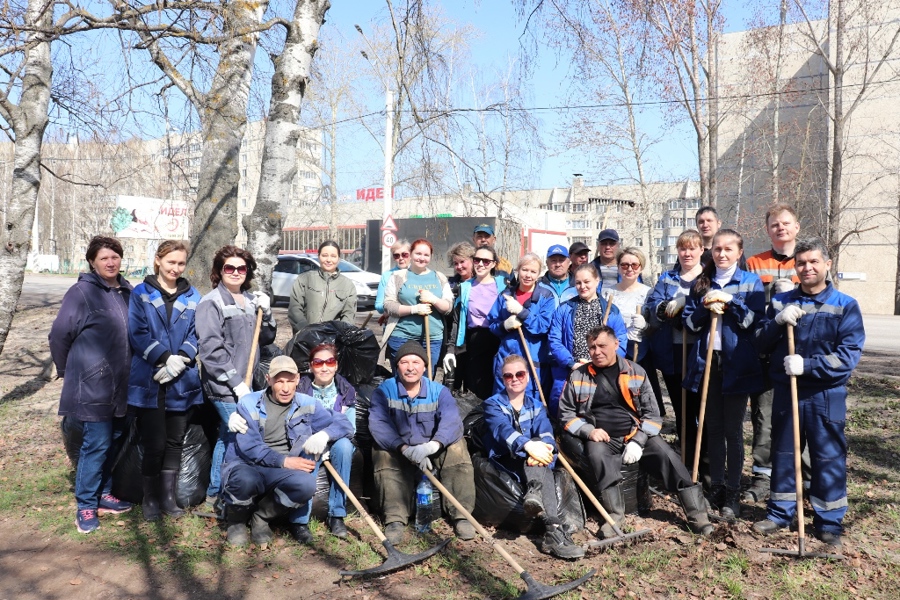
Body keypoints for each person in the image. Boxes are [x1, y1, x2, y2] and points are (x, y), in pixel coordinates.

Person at [752, 239, 864, 548]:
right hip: (788, 393)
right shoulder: (781, 302)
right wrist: (776, 321)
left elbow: (848, 356)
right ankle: (779, 514)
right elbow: (759, 342)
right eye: (801, 263)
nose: (807, 267)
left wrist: (809, 365)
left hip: (827, 395)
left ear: (827, 264)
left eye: (813, 262)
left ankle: (829, 521)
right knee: (785, 454)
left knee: (828, 457)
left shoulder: (845, 305)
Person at [557, 326, 713, 538]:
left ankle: (697, 515)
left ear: (616, 345)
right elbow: (565, 414)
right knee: (597, 457)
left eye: (602, 346)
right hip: (601, 437)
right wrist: (588, 431)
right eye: (592, 347)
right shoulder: (578, 376)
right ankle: (614, 517)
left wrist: (638, 440)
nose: (597, 352)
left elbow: (653, 414)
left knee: (668, 457)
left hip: (634, 433)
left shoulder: (636, 372)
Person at [50, 235, 134, 533]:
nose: (111, 262)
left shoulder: (126, 291)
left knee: (113, 442)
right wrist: (66, 369)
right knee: (95, 445)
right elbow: (59, 334)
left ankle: (103, 494)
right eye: (104, 258)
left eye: (115, 257)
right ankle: (85, 505)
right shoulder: (81, 293)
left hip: (122, 385)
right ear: (92, 262)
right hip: (92, 385)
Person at [221, 356, 353, 546]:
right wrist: (285, 462)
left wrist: (324, 434)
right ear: (268, 380)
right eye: (279, 381)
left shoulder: (307, 403)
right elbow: (250, 448)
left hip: (280, 470)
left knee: (306, 484)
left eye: (290, 381)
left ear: (298, 380)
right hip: (248, 465)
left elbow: (343, 423)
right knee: (244, 479)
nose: (285, 388)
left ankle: (261, 518)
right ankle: (236, 522)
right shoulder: (249, 403)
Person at [682, 229, 765, 520]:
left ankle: (733, 491)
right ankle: (715, 485)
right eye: (717, 249)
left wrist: (730, 302)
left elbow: (754, 323)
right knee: (712, 428)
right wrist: (706, 307)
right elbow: (690, 325)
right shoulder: (701, 283)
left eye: (729, 249)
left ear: (739, 252)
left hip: (736, 363)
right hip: (707, 362)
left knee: (733, 430)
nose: (722, 253)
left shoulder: (750, 282)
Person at [368, 341, 477, 544]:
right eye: (404, 362)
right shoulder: (384, 391)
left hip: (432, 449)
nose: (410, 367)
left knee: (458, 447)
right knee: (381, 451)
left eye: (416, 362)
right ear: (396, 366)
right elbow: (378, 425)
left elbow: (452, 422)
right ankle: (395, 519)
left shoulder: (439, 391)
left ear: (425, 366)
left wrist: (432, 446)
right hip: (400, 451)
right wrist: (405, 449)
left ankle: (462, 516)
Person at [127, 240, 203, 521]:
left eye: (181, 263)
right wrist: (163, 358)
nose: (176, 268)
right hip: (151, 379)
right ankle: (150, 497)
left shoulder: (193, 296)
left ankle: (169, 498)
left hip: (181, 379)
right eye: (171, 262)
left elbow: (198, 334)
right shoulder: (141, 293)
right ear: (158, 261)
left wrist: (180, 359)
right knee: (155, 442)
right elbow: (137, 333)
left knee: (175, 441)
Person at [197, 245, 277, 513]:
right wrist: (236, 384)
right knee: (235, 435)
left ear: (247, 272)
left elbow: (265, 338)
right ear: (219, 271)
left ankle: (215, 496)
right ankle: (217, 497)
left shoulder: (250, 301)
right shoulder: (211, 303)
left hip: (246, 384)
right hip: (222, 386)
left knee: (227, 435)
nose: (235, 272)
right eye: (229, 268)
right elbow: (210, 351)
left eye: (241, 268)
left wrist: (268, 314)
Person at [481, 355, 585, 559]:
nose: (514, 379)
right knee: (538, 462)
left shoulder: (536, 406)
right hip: (505, 458)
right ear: (503, 379)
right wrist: (528, 445)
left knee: (540, 457)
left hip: (532, 461)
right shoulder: (492, 404)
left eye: (519, 374)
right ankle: (553, 531)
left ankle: (537, 496)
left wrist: (544, 449)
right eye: (508, 376)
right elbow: (501, 430)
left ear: (527, 377)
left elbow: (546, 432)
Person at [742, 204, 803, 504]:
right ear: (767, 230)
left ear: (796, 227)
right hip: (764, 350)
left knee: (798, 415)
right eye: (774, 225)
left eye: (785, 223)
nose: (780, 228)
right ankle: (763, 476)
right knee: (763, 416)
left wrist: (794, 290)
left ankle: (800, 474)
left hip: (797, 352)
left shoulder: (807, 260)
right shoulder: (755, 262)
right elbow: (750, 305)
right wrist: (770, 298)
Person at [646, 230, 705, 468]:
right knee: (682, 410)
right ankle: (688, 461)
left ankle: (706, 462)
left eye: (692, 248)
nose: (687, 253)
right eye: (683, 248)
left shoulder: (709, 278)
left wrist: (687, 302)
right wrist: (664, 307)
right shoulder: (668, 278)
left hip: (700, 353)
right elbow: (651, 306)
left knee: (703, 410)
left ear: (701, 250)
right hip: (674, 353)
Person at [290, 343, 358, 541]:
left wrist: (326, 438)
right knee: (309, 452)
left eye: (329, 362)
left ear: (336, 365)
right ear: (311, 366)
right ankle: (300, 520)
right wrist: (314, 440)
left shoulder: (346, 390)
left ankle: (337, 515)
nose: (324, 367)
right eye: (318, 363)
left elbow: (349, 427)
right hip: (307, 439)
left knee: (345, 447)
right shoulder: (300, 389)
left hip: (336, 440)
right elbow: (296, 422)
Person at [547, 263, 629, 419]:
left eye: (587, 282)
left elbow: (621, 343)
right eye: (578, 283)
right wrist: (572, 364)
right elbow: (554, 340)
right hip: (571, 370)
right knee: (564, 413)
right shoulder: (565, 309)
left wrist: (604, 364)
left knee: (598, 414)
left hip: (600, 372)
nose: (582, 286)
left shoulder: (611, 311)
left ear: (597, 281)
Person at [487, 253, 556, 397]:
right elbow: (492, 324)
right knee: (504, 401)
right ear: (518, 270)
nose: (528, 275)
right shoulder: (505, 295)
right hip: (507, 358)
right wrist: (504, 325)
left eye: (533, 271)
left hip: (533, 361)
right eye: (525, 270)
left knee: (531, 404)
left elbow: (543, 326)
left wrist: (522, 312)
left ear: (539, 274)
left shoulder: (546, 297)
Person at [381, 239, 453, 373]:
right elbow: (389, 306)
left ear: (431, 257)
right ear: (411, 254)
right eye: (418, 253)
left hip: (432, 339)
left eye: (426, 255)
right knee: (403, 379)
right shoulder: (398, 276)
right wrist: (415, 309)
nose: (422, 258)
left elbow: (448, 307)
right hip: (402, 336)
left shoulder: (439, 277)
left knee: (426, 380)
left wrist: (433, 299)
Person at [609, 247, 665, 417]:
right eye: (625, 265)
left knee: (643, 398)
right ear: (618, 266)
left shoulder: (648, 292)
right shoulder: (608, 291)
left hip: (640, 353)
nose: (630, 269)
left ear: (641, 267)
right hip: (616, 353)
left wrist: (645, 328)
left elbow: (656, 326)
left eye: (634, 265)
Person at [445, 245, 505, 400]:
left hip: (499, 340)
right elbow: (457, 322)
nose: (480, 264)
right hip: (475, 341)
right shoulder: (465, 287)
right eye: (477, 260)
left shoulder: (503, 284)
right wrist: (451, 349)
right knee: (476, 389)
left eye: (486, 261)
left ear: (493, 264)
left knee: (498, 385)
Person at [288, 240, 357, 335]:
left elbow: (348, 315)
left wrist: (335, 336)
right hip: (304, 340)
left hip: (332, 343)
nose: (329, 260)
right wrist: (307, 333)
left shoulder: (347, 285)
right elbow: (294, 310)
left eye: (333, 256)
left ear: (339, 259)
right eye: (324, 255)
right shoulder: (304, 279)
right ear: (318, 257)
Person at [441, 242, 475, 389]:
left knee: (471, 385)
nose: (459, 266)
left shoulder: (480, 283)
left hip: (473, 342)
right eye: (456, 263)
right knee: (450, 384)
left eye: (462, 262)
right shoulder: (451, 284)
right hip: (453, 340)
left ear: (473, 261)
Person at [375, 239, 412, 318]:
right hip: (393, 322)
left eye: (404, 254)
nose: (401, 258)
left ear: (411, 255)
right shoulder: (387, 275)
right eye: (396, 255)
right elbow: (378, 305)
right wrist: (391, 307)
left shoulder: (417, 273)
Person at [590, 229, 620, 294]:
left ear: (618, 245)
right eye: (604, 243)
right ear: (598, 246)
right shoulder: (590, 269)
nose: (608, 247)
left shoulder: (627, 268)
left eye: (612, 244)